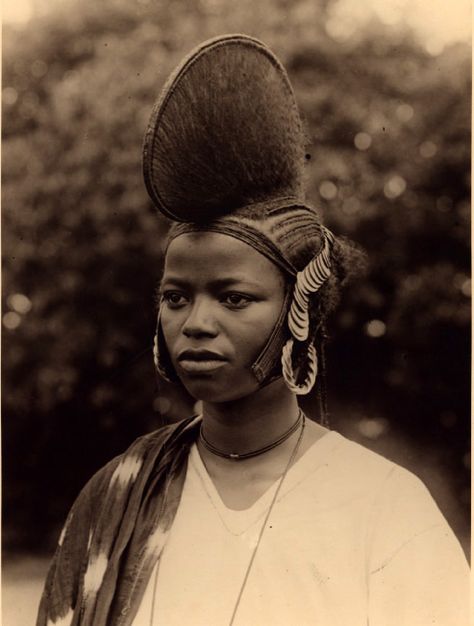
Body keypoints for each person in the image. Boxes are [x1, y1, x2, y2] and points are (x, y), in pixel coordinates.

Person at [37, 34, 468, 626]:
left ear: (302, 312)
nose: (196, 324)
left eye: (234, 298)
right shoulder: (116, 495)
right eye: (175, 297)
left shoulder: (384, 509)